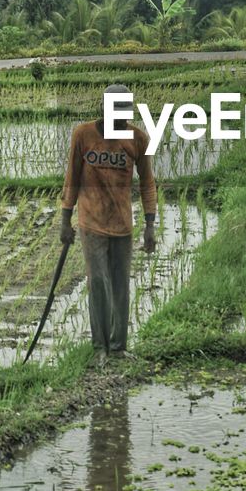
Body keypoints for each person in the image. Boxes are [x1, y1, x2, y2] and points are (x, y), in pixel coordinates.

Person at [60, 83, 157, 364]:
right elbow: (72, 178)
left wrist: (150, 224)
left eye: (125, 116)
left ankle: (118, 347)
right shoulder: (83, 135)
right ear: (103, 109)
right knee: (99, 282)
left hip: (122, 224)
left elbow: (148, 184)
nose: (121, 121)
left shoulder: (137, 139)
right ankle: (99, 348)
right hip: (91, 221)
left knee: (120, 285)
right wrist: (65, 220)